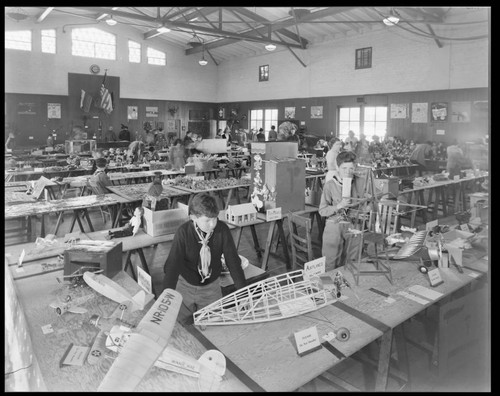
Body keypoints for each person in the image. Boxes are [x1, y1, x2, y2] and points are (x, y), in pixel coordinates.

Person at [162, 193, 247, 325]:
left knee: (211, 325)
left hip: (211, 289)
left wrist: (243, 292)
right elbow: (173, 266)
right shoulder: (183, 232)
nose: (212, 224)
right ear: (193, 217)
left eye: (215, 218)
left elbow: (233, 261)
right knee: (180, 323)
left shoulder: (222, 230)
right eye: (207, 220)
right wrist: (165, 300)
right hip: (185, 287)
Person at [319, 151, 367, 271]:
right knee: (329, 262)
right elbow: (322, 210)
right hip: (334, 224)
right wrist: (338, 206)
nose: (347, 172)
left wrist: (367, 207)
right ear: (337, 167)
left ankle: (349, 287)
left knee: (353, 261)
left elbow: (375, 196)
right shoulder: (330, 185)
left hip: (354, 223)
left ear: (355, 168)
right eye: (344, 168)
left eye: (351, 168)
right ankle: (329, 288)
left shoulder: (360, 182)